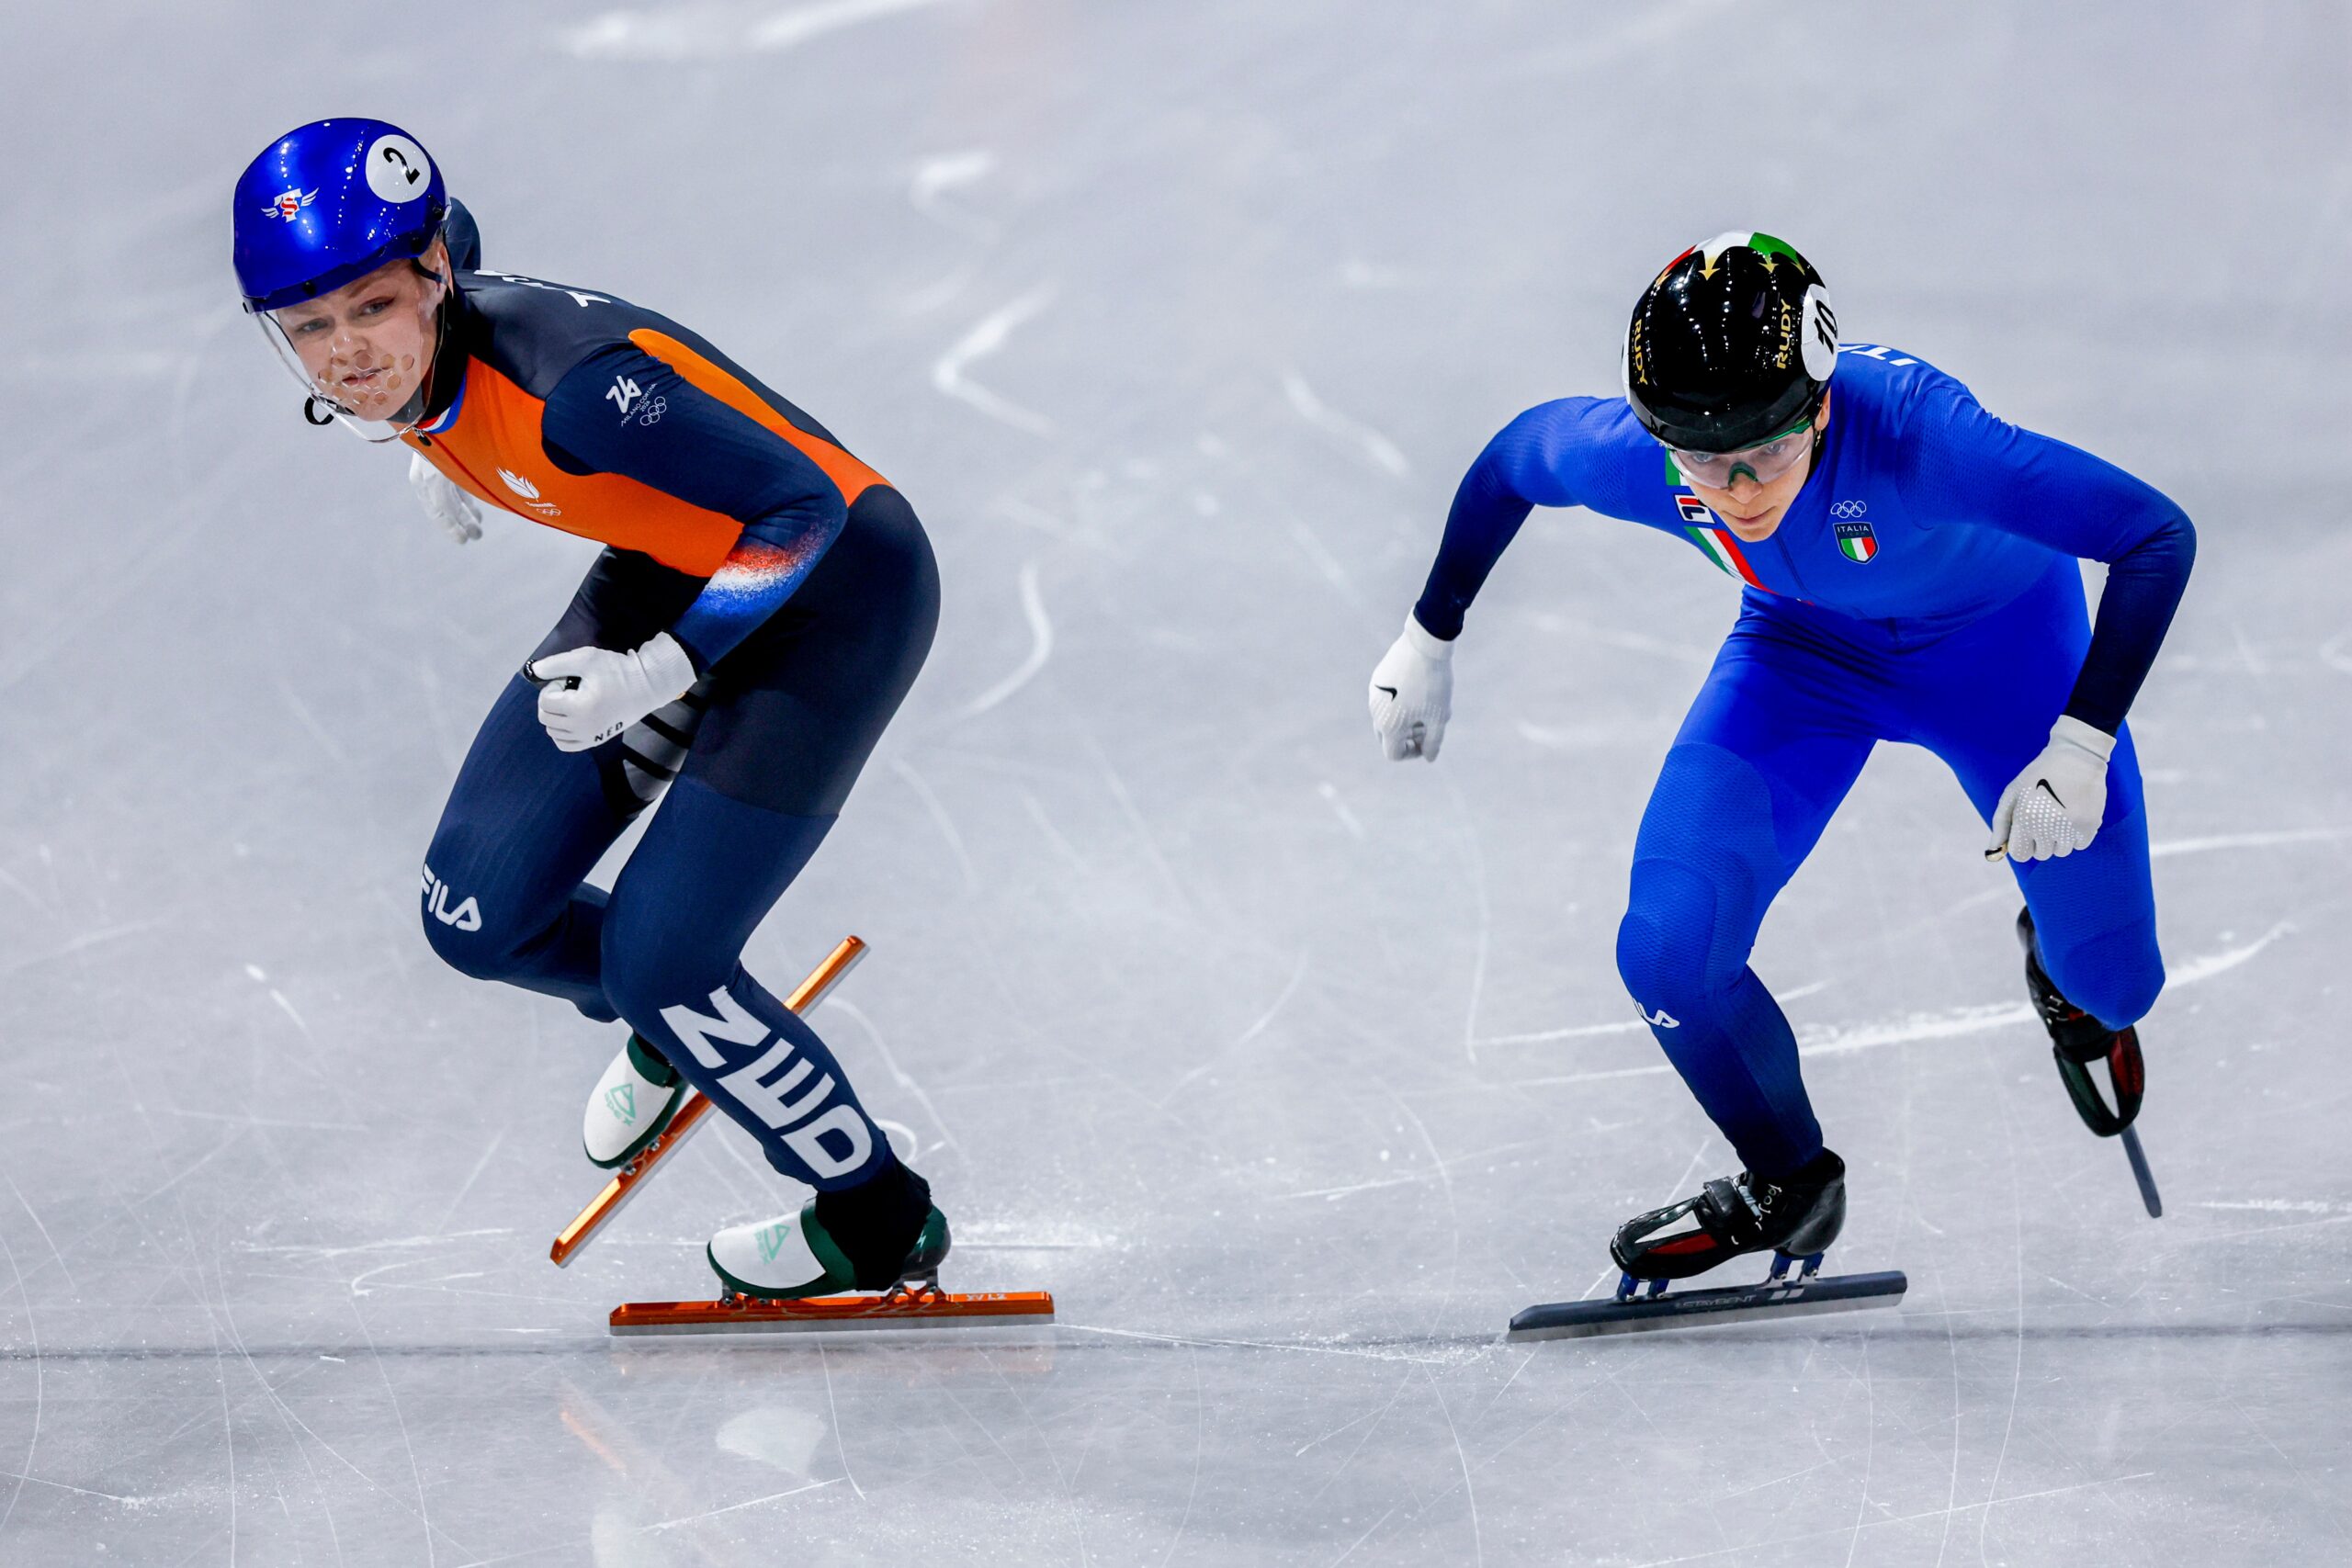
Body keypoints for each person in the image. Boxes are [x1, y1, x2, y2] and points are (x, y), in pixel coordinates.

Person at [1367, 231, 2194, 1285]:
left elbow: (2154, 536)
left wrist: (2080, 744)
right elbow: (1515, 462)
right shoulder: (1654, 460)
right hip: (1802, 657)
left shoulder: (1928, 442)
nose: (1737, 486)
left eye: (1766, 449)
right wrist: (1429, 631)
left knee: (2117, 984)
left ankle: (2067, 982)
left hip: (2004, 661)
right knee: (1667, 951)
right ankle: (1789, 1184)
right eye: (1702, 459)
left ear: (1820, 405)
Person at [232, 118, 948, 1301]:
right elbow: (452, 235)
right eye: (309, 328)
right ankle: (667, 1027)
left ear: (435, 282)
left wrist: (663, 669)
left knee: (665, 957)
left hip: (835, 594)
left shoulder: (583, 400)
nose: (348, 353)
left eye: (372, 310)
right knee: (474, 915)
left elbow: (807, 509)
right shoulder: (429, 325)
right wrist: (432, 438)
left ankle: (875, 1216)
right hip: (672, 556)